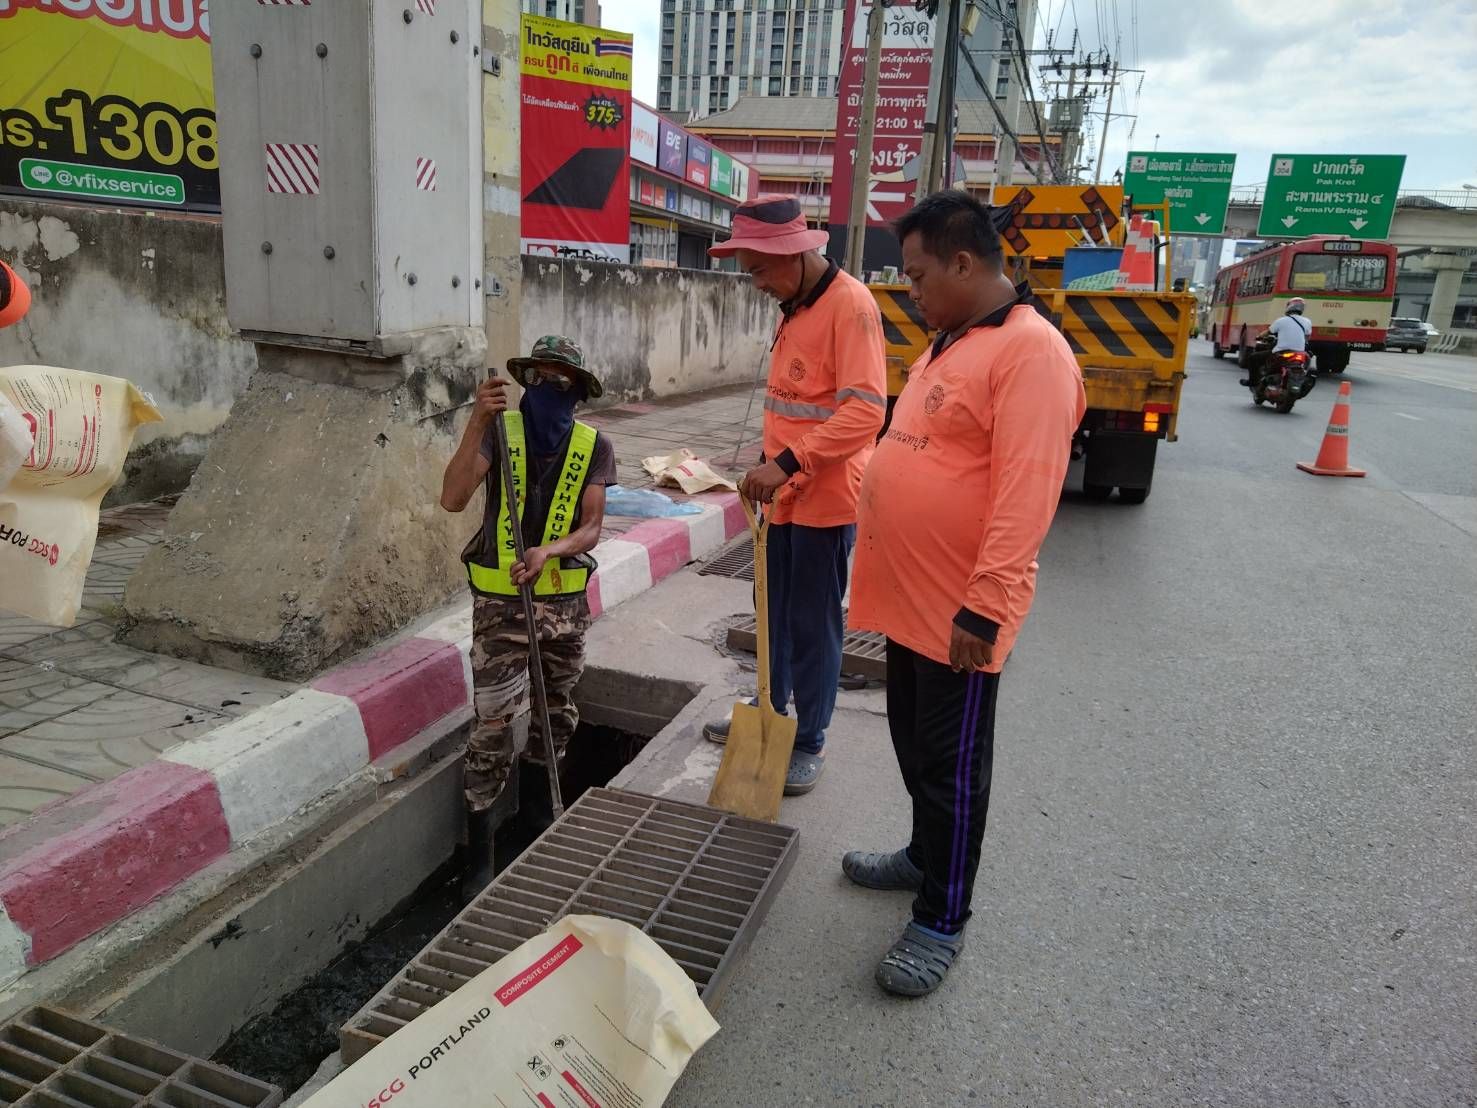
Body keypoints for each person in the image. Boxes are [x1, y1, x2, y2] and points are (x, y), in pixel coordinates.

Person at [846, 190, 1085, 997]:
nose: (909, 289)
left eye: (917, 275)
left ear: (961, 262)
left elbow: (1026, 492)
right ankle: (923, 856)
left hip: (959, 613)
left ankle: (941, 917)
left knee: (950, 768)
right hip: (907, 600)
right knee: (914, 749)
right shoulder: (949, 342)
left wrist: (983, 605)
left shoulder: (1031, 353)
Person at [702, 195, 887, 795]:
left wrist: (786, 463)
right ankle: (768, 711)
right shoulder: (793, 305)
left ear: (792, 254)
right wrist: (768, 464)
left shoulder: (850, 305)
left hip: (825, 500)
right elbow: (794, 405)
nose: (755, 283)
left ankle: (809, 740)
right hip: (783, 496)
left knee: (811, 625)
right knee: (771, 614)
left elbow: (865, 412)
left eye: (758, 269)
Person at [439, 335, 615, 892]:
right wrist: (475, 421)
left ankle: (539, 820)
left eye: (560, 381)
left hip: (563, 610)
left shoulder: (594, 446)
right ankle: (480, 857)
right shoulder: (499, 432)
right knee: (493, 729)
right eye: (537, 378)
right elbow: (452, 498)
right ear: (525, 382)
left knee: (554, 716)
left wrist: (549, 551)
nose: (547, 389)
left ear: (577, 392)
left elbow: (592, 526)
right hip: (500, 612)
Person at [1242, 297, 1311, 388]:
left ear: (1289, 307)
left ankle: (1252, 382)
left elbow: (1268, 332)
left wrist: (1259, 336)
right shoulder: (1307, 321)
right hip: (1300, 352)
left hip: (1282, 352)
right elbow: (1307, 337)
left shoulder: (1281, 320)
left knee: (1253, 358)